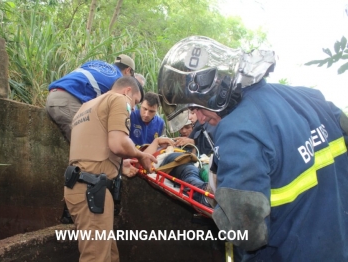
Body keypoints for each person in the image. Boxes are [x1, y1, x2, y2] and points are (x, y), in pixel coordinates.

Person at [158, 35, 348, 261]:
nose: (197, 118)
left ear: (212, 95)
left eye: (196, 107)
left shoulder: (237, 132)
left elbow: (247, 234)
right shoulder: (310, 98)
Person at [64, 76, 157, 262]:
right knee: (95, 258)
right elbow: (118, 144)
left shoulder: (85, 107)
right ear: (128, 91)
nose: (135, 107)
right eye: (136, 102)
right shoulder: (119, 99)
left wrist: (121, 166)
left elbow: (91, 148)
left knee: (110, 256)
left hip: (76, 188)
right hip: (93, 192)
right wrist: (140, 156)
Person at [46, 54, 135, 142]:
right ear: (128, 70)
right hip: (67, 101)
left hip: (55, 95)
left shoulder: (96, 64)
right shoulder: (119, 81)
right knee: (90, 145)